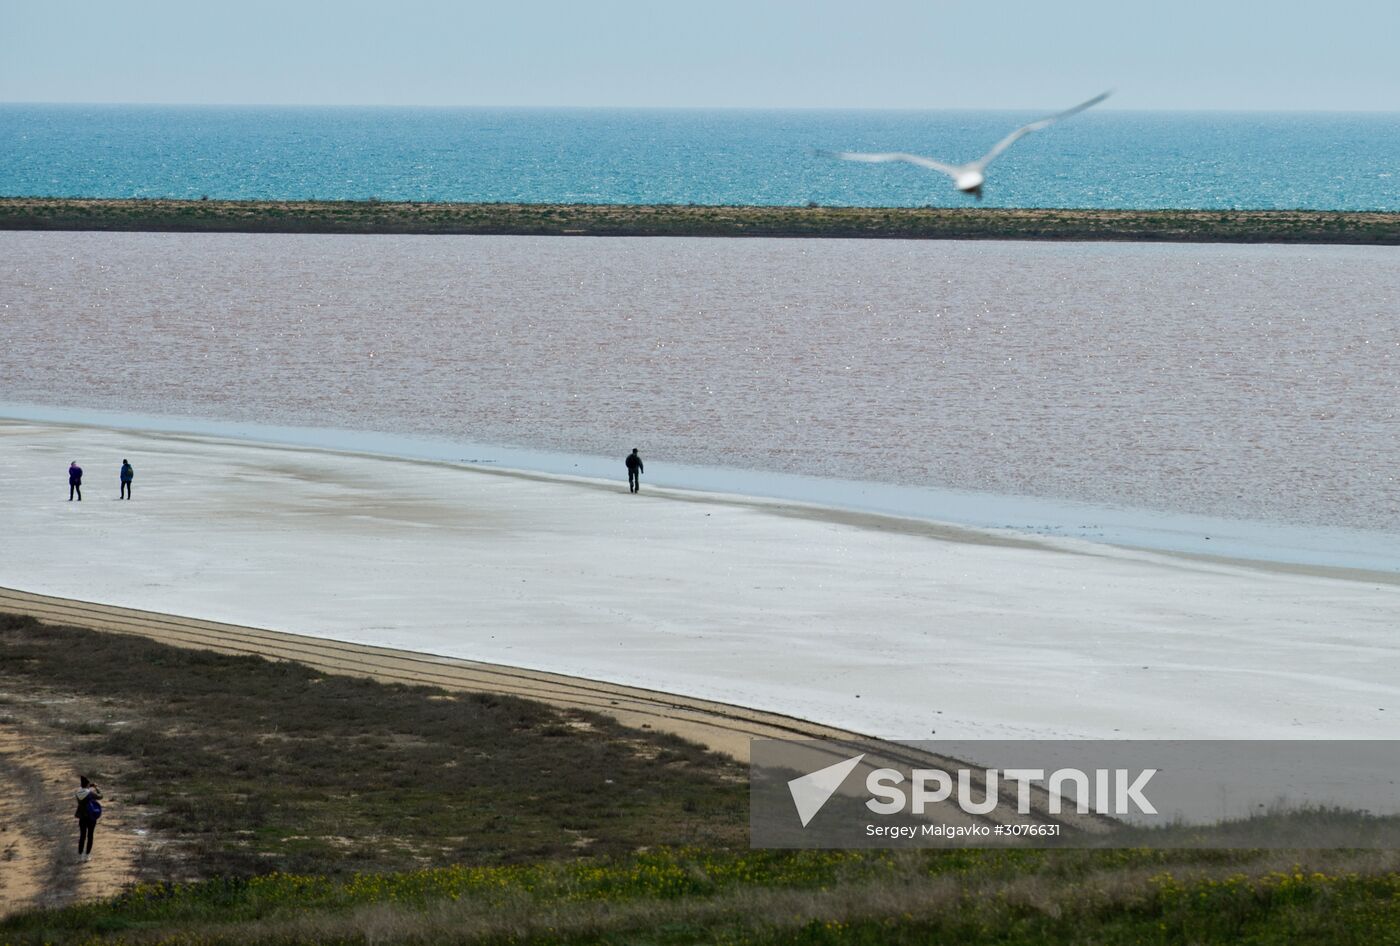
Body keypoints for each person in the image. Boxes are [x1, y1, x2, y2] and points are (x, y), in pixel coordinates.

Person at [74, 775, 103, 862]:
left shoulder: (78, 793)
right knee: (90, 836)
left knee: (82, 836)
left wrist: (89, 785)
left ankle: (80, 856)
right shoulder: (90, 793)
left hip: (82, 817)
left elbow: (82, 788)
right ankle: (87, 855)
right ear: (87, 784)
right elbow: (100, 796)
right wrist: (96, 787)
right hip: (91, 817)